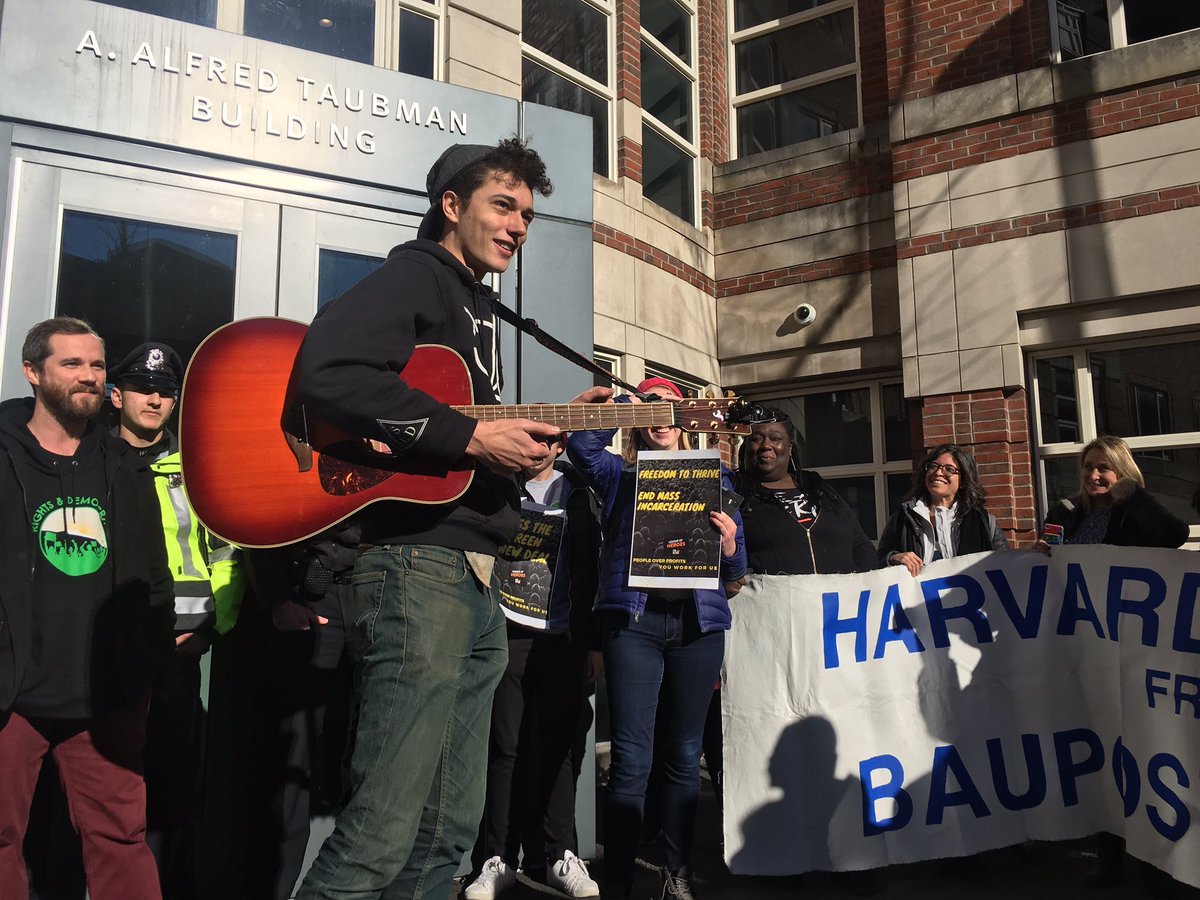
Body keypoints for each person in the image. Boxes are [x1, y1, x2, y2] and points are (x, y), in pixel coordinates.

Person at [290, 138, 609, 899]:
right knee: (381, 832)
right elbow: (326, 371)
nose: (518, 226)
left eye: (528, 214)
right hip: (414, 568)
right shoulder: (415, 279)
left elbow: (449, 437)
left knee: (446, 837)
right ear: (452, 205)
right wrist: (471, 435)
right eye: (504, 206)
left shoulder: (479, 308)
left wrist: (518, 451)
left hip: (473, 573)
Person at [0, 317, 173, 900]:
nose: (89, 377)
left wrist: (140, 664)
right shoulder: (3, 457)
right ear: (33, 372)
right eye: (71, 364)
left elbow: (154, 577)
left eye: (97, 366)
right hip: (11, 692)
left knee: (121, 839)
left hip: (107, 697)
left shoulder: (124, 465)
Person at [567, 376, 745, 900]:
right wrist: (625, 406)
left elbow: (738, 566)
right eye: (651, 410)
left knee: (685, 754)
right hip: (635, 625)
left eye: (669, 408)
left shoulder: (719, 477)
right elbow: (580, 446)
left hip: (697, 625)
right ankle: (619, 878)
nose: (660, 418)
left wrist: (731, 542)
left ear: (687, 419)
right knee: (630, 756)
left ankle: (675, 870)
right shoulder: (620, 476)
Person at [109, 341, 246, 900]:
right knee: (107, 783)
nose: (155, 398)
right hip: (110, 648)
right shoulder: (93, 463)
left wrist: (214, 627)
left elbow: (227, 552)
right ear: (116, 395)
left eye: (166, 392)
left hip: (183, 650)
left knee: (172, 789)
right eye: (143, 388)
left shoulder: (196, 468)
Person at [1033, 435, 1188, 892]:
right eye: (1088, 468)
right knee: (1100, 753)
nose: (1095, 476)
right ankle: (1110, 853)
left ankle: (1156, 860)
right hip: (1085, 655)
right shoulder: (1066, 514)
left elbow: (1173, 537)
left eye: (1105, 468)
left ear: (1123, 472)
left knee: (1140, 749)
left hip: (1134, 653)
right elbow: (1045, 563)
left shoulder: (1136, 511)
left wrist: (1133, 496)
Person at [465, 436, 602, 900]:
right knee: (503, 749)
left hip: (562, 636)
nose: (536, 448)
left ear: (561, 444)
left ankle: (561, 854)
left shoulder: (580, 491)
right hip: (508, 633)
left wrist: (591, 640)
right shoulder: (498, 486)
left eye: (547, 440)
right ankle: (495, 858)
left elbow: (593, 568)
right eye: (531, 438)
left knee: (559, 750)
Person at [732, 411, 877, 577]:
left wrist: (887, 566)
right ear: (745, 447)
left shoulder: (817, 487)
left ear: (790, 448)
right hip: (773, 599)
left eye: (776, 439)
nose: (766, 445)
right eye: (757, 439)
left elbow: (861, 545)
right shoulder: (735, 492)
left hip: (840, 599)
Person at [878, 443, 1009, 575]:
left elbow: (1005, 564)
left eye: (949, 469)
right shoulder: (904, 516)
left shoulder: (983, 521)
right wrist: (894, 558)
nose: (938, 473)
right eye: (933, 466)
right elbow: (879, 558)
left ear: (963, 480)